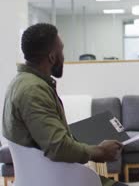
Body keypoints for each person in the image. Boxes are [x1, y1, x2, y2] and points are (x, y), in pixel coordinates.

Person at [2, 23, 126, 186]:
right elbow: (58, 147)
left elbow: (47, 137)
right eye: (61, 50)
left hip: (49, 174)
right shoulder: (33, 90)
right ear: (52, 57)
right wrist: (100, 152)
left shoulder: (21, 82)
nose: (64, 56)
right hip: (56, 178)